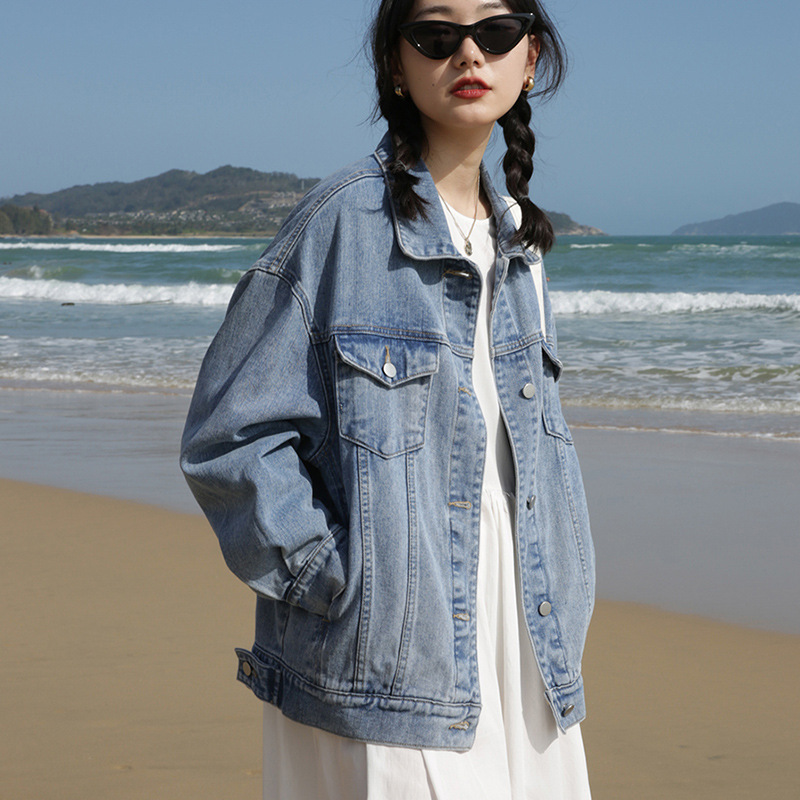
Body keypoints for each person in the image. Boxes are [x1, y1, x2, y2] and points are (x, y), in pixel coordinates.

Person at [181, 0, 595, 796]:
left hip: (528, 643)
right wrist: (331, 579)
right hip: (382, 653)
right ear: (395, 66)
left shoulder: (521, 240)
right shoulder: (343, 220)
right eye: (437, 36)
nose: (468, 55)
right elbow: (228, 435)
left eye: (495, 33)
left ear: (530, 58)